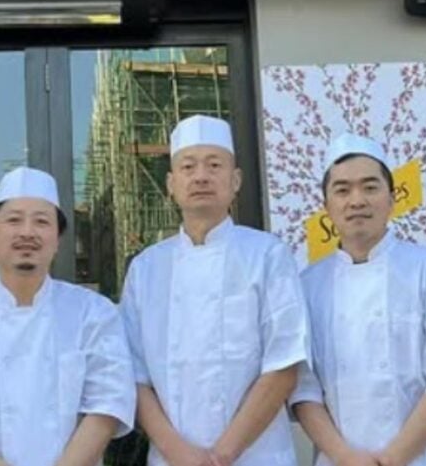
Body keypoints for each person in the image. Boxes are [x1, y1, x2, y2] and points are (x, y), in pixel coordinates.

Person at [119, 115, 310, 466]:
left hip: (257, 455)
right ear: (171, 183)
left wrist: (221, 456)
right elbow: (133, 374)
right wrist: (179, 453)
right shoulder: (146, 269)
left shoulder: (268, 254)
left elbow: (284, 365)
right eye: (188, 166)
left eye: (214, 165)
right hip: (171, 458)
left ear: (235, 180)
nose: (201, 176)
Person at [0, 166, 135, 466]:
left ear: (58, 239)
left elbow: (107, 405)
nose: (27, 232)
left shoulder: (94, 313)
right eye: (14, 220)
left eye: (42, 221)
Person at [292, 133, 426, 466]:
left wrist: (393, 458)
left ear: (392, 198)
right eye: (342, 190)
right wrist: (345, 457)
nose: (357, 201)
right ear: (326, 205)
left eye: (370, 187)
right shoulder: (307, 284)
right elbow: (303, 388)